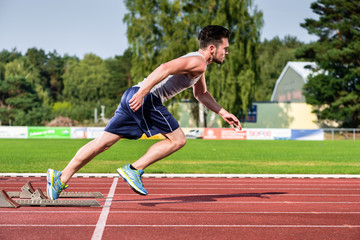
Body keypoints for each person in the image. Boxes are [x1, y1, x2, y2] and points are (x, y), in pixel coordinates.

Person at [46, 25, 242, 200]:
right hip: (146, 98)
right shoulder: (198, 61)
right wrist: (142, 94)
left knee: (102, 143)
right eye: (225, 49)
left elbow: (201, 93)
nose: (227, 53)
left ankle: (60, 178)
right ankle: (134, 169)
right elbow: (164, 67)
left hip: (133, 95)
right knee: (178, 140)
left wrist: (223, 112)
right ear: (212, 48)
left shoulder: (199, 66)